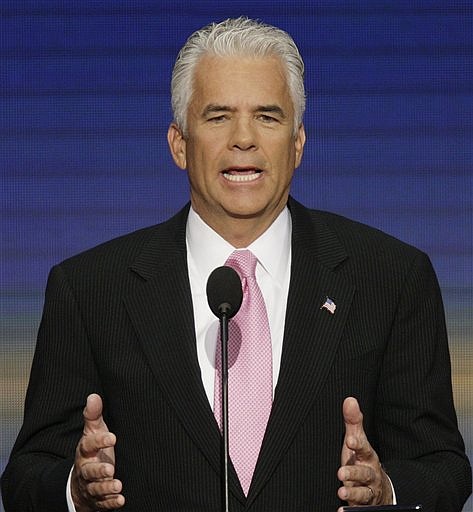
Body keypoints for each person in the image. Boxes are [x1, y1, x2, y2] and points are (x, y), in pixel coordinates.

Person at [1, 16, 471, 512]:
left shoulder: (391, 279)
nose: (243, 138)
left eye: (267, 117)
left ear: (298, 144)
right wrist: (76, 488)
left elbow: (441, 467)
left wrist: (387, 490)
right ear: (179, 144)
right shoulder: (91, 290)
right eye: (218, 116)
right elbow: (28, 476)